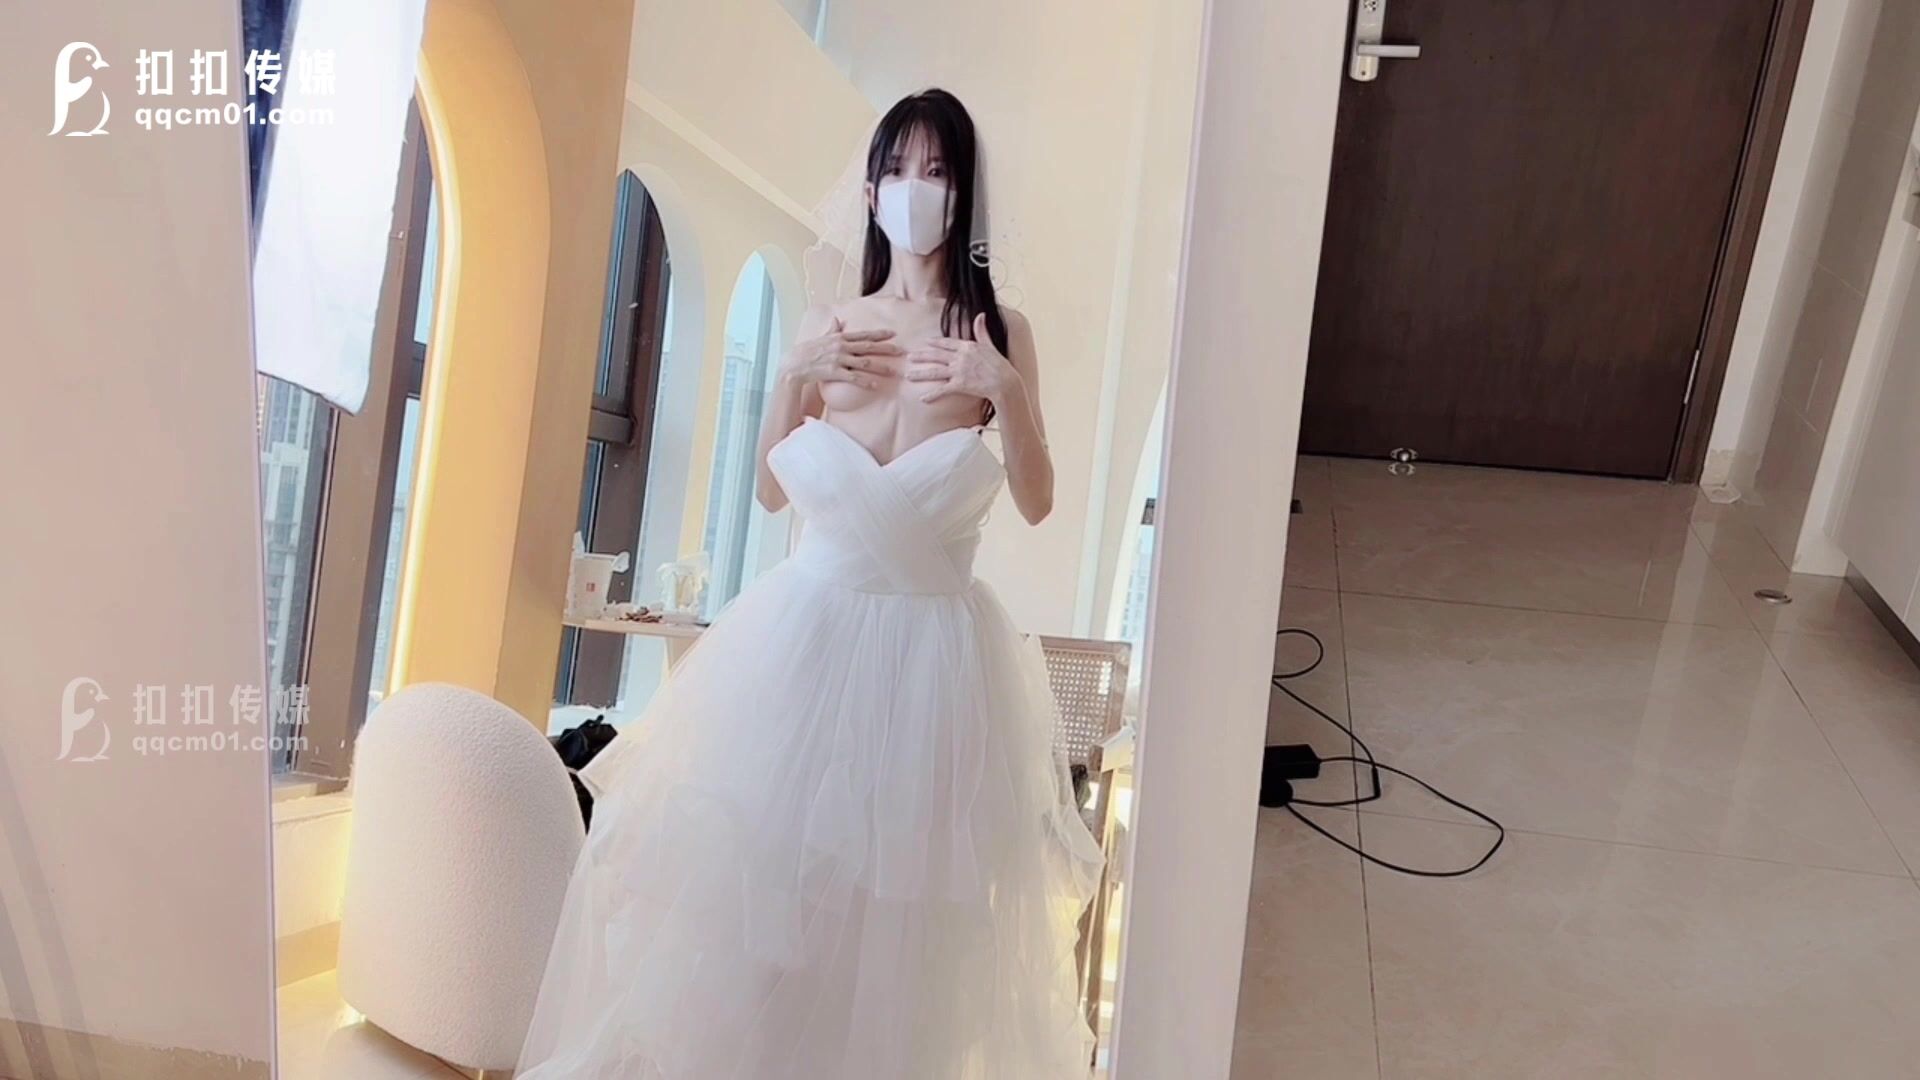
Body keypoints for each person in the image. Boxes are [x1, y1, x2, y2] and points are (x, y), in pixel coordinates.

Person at [516, 88, 1101, 1079]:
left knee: (906, 926)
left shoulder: (999, 332)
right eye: (898, 170)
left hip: (935, 664)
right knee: (768, 901)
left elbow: (1039, 502)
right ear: (870, 192)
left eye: (937, 171)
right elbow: (768, 489)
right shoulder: (834, 324)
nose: (915, 190)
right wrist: (795, 372)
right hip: (804, 645)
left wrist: (1003, 390)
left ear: (964, 192)